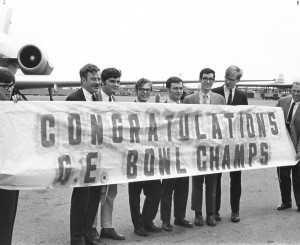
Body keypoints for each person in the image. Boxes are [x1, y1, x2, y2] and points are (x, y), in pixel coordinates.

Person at [67, 64, 105, 245]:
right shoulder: (73, 98)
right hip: (80, 157)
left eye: (99, 79)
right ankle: (77, 238)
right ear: (83, 80)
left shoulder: (98, 99)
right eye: (94, 79)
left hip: (95, 157)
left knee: (94, 198)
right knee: (81, 200)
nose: (98, 82)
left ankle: (88, 234)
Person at [184, 68, 225, 227]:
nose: (208, 81)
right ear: (200, 79)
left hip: (213, 148)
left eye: (211, 79)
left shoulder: (219, 99)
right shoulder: (189, 99)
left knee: (212, 183)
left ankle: (211, 213)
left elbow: (223, 121)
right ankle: (198, 214)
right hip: (196, 148)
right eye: (205, 78)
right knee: (197, 183)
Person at [92, 68, 125, 241]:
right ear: (103, 82)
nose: (116, 85)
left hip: (112, 154)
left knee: (111, 192)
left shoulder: (116, 101)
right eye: (112, 81)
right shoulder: (93, 99)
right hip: (97, 154)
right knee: (97, 194)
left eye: (118, 81)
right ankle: (92, 228)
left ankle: (107, 226)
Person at [211, 65, 248, 223]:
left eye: (232, 79)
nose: (227, 81)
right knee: (216, 179)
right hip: (218, 143)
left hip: (235, 145)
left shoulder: (242, 95)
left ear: (238, 80)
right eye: (226, 77)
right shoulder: (215, 93)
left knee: (236, 179)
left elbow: (245, 119)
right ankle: (215, 210)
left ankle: (235, 210)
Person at [128, 78, 162, 237]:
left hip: (150, 159)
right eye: (142, 89)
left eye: (148, 89)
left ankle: (147, 220)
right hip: (134, 159)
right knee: (134, 196)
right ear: (137, 90)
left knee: (155, 192)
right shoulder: (128, 108)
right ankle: (138, 225)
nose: (145, 92)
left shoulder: (155, 109)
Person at [160, 77, 192, 232]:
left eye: (181, 88)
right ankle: (165, 220)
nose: (179, 91)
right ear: (168, 90)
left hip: (183, 154)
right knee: (167, 190)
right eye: (175, 88)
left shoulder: (187, 107)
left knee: (183, 188)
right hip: (168, 155)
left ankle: (179, 217)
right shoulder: (160, 108)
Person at [0, 68, 19, 245]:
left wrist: (18, 110)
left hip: (9, 171)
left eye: (11, 86)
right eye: (5, 86)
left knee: (7, 219)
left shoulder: (15, 107)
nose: (9, 89)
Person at [276, 81, 300, 212]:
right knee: (283, 176)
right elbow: (271, 116)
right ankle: (286, 202)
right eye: (294, 90)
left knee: (298, 178)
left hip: (296, 147)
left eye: (299, 92)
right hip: (282, 147)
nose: (296, 94)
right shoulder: (283, 101)